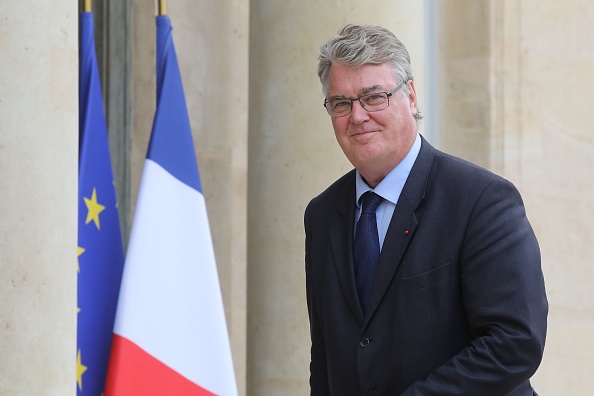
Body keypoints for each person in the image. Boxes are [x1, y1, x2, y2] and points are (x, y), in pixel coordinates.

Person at [304, 24, 548, 395]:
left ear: (411, 97)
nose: (357, 117)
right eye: (341, 103)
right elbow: (325, 360)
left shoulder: (481, 199)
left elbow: (514, 342)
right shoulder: (322, 215)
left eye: (373, 97)